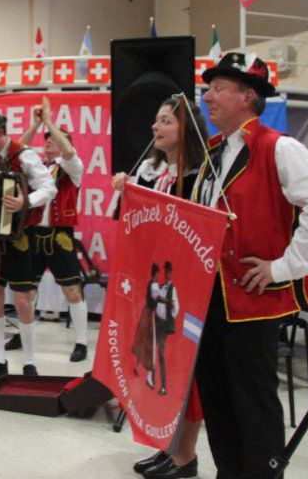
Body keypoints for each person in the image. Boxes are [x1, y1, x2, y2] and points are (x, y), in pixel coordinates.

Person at [194, 53, 308, 478]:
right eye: (209, 89)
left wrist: (284, 267)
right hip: (210, 301)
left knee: (253, 400)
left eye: (218, 89)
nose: (208, 96)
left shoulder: (279, 147)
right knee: (218, 398)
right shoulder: (214, 153)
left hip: (253, 302)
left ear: (247, 97)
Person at [112, 95, 207, 479]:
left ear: (185, 129)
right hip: (156, 284)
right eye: (157, 119)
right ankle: (168, 448)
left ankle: (186, 456)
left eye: (165, 121)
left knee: (184, 374)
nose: (155, 127)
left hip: (186, 290)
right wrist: (127, 190)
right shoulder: (154, 174)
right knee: (155, 366)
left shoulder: (198, 175)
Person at [0, 107, 57, 380]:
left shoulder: (23, 154)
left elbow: (48, 187)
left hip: (20, 236)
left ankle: (29, 361)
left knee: (22, 300)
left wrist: (24, 202)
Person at [4, 97, 89, 362]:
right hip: (32, 235)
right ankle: (24, 331)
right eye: (48, 137)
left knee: (72, 290)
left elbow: (69, 153)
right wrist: (36, 124)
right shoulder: (37, 166)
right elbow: (17, 150)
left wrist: (51, 122)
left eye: (56, 138)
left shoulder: (73, 168)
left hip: (59, 235)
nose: (49, 140)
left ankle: (82, 342)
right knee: (26, 291)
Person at [152, 261, 179, 396]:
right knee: (150, 349)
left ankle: (163, 386)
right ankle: (148, 379)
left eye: (169, 271)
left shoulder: (172, 288)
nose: (167, 273)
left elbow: (176, 308)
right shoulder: (160, 287)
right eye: (166, 271)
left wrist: (169, 314)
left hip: (163, 325)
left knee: (160, 353)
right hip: (156, 322)